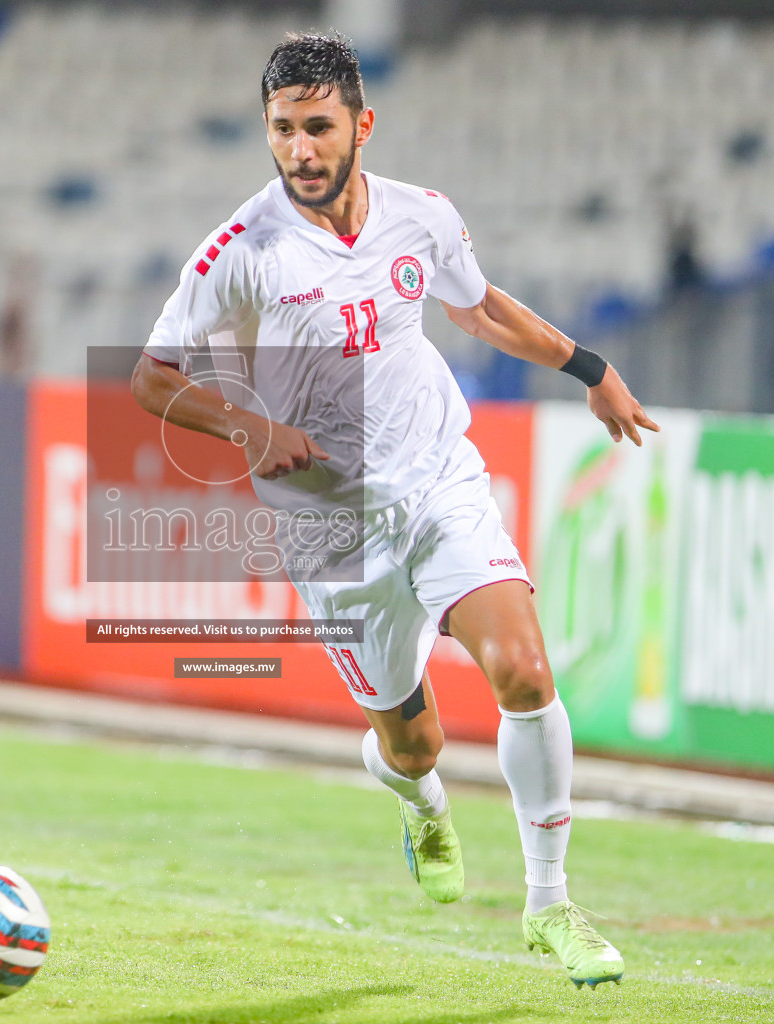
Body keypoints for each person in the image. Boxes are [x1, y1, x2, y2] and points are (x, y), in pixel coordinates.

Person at [130, 32, 658, 988]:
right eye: (283, 130)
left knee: (526, 672)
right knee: (413, 742)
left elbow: (481, 308)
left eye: (318, 127)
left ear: (361, 125)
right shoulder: (240, 248)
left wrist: (593, 369)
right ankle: (419, 805)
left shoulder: (421, 218)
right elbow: (149, 377)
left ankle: (550, 905)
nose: (301, 149)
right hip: (332, 524)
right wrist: (247, 427)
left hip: (438, 484)